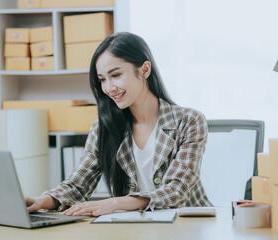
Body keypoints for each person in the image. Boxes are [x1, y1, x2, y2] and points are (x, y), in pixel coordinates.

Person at [25, 32, 212, 216]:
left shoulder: (189, 121)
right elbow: (77, 185)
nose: (108, 88)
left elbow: (177, 190)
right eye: (102, 79)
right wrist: (42, 201)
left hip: (188, 225)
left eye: (115, 75)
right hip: (133, 228)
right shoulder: (102, 128)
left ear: (145, 70)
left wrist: (116, 203)